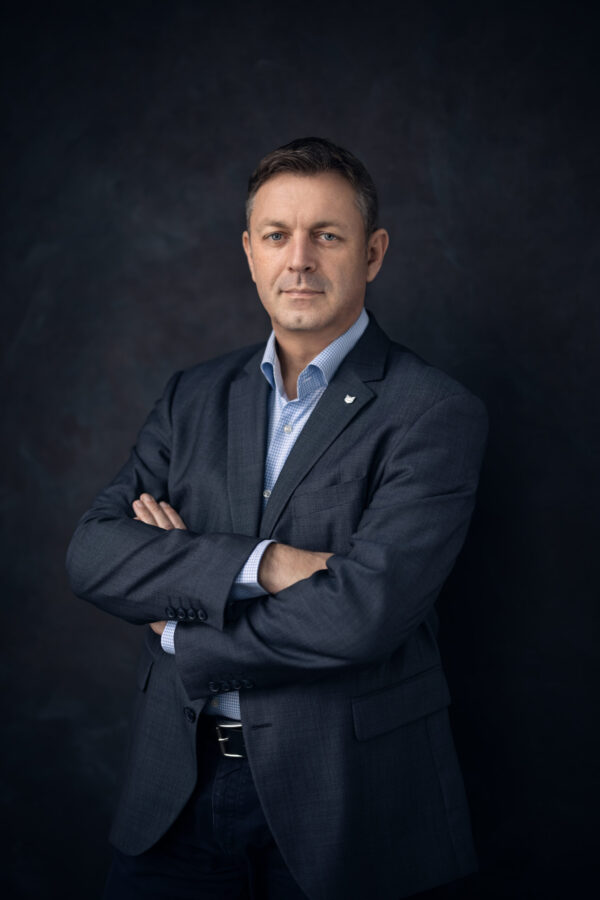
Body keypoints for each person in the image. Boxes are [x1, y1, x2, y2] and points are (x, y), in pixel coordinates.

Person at [66, 137, 488, 900]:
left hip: (347, 801)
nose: (299, 260)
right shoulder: (192, 396)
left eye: (327, 235)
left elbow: (363, 614)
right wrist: (268, 564)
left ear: (373, 253)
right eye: (276, 235)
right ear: (249, 253)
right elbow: (93, 553)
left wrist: (184, 629)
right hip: (174, 792)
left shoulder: (433, 411)